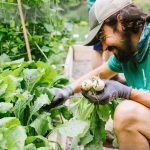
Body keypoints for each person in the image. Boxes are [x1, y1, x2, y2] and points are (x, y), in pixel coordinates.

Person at [50, 0, 150, 149]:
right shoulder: (128, 51)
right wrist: (67, 91)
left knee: (125, 115)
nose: (103, 48)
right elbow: (99, 73)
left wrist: (126, 92)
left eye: (103, 36)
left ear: (120, 21)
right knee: (98, 130)